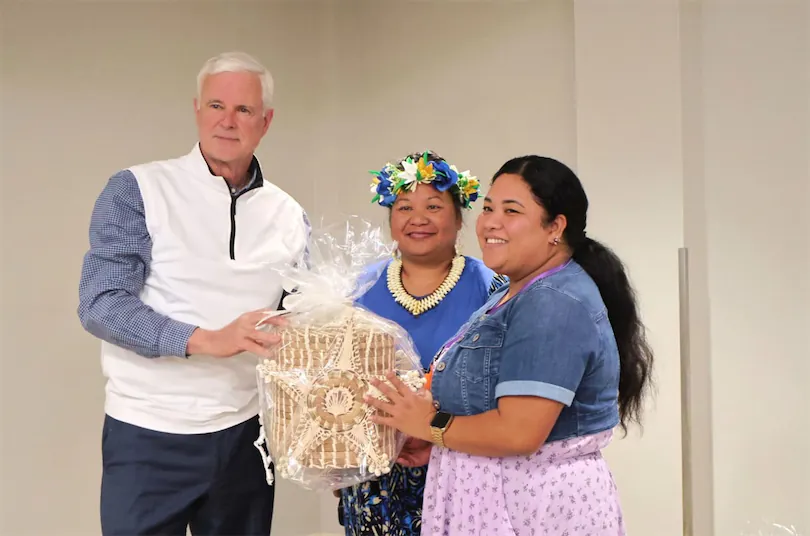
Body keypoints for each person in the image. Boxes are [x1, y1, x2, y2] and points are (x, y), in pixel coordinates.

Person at [77, 51, 310, 536]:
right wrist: (207, 339)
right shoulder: (137, 189)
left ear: (265, 122)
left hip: (246, 433)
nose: (228, 122)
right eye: (215, 106)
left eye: (244, 110)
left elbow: (301, 318)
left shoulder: (288, 214)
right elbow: (101, 304)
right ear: (197, 109)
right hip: (147, 432)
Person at [365, 155, 655, 535]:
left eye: (511, 210)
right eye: (488, 208)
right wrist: (439, 442)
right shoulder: (516, 291)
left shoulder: (552, 301)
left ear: (556, 226)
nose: (491, 223)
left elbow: (519, 432)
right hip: (499, 498)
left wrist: (431, 425)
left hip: (533, 508)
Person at [337, 151, 505, 536]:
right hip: (375, 471)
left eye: (433, 205)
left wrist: (431, 433)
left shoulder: (491, 286)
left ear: (459, 217)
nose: (418, 219)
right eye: (404, 207)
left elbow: (502, 380)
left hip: (461, 464)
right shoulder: (359, 286)